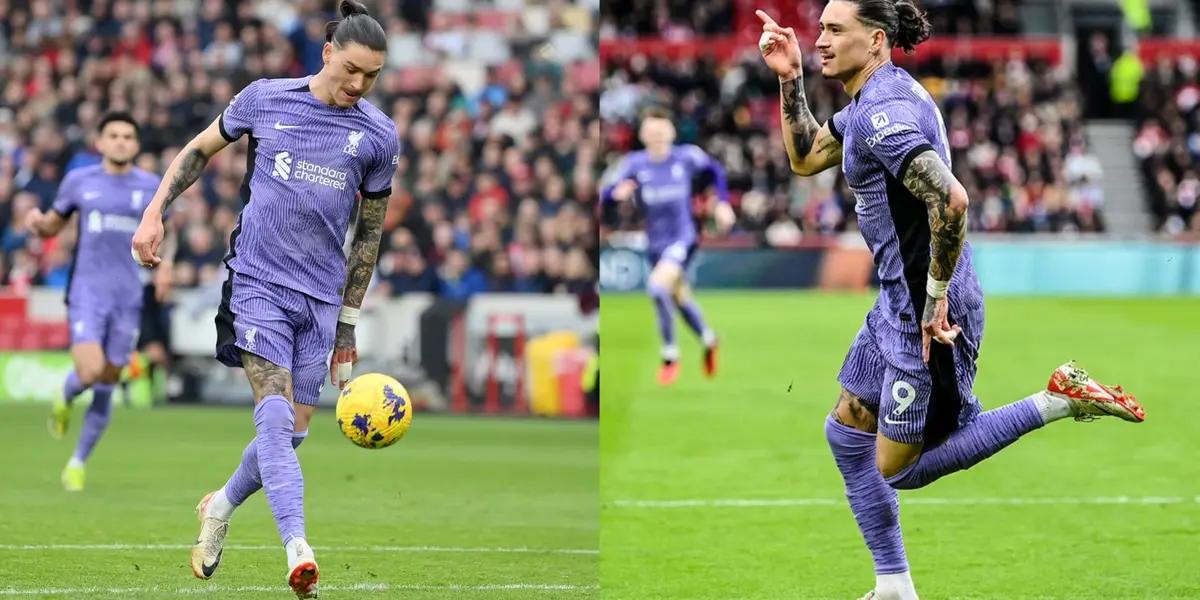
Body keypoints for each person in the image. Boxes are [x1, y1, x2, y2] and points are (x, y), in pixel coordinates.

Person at [755, 3, 1146, 599]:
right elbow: (806, 155)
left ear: (877, 40)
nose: (821, 40)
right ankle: (893, 586)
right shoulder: (867, 103)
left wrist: (936, 299)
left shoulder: (885, 113)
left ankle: (1056, 399)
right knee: (847, 427)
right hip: (897, 302)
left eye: (836, 30)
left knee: (898, 467)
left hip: (928, 314)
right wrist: (790, 79)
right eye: (822, 29)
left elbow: (952, 200)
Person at [131, 1, 399, 596]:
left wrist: (347, 326)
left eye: (372, 76)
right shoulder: (266, 98)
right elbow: (200, 150)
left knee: (294, 431)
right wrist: (155, 213)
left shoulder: (378, 135)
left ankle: (221, 505)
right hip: (256, 281)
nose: (359, 84)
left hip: (321, 301)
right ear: (327, 53)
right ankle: (297, 546)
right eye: (351, 69)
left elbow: (370, 236)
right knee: (274, 415)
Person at [26, 111, 167, 492]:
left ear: (135, 145)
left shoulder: (151, 186)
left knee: (107, 381)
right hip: (88, 292)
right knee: (89, 372)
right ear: (100, 142)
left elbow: (159, 235)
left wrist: (164, 269)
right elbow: (54, 224)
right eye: (114, 135)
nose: (121, 141)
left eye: (127, 136)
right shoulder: (79, 181)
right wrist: (38, 224)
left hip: (128, 297)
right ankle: (66, 392)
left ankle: (77, 462)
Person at [599, 108, 735, 385]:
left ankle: (670, 355)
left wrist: (721, 202)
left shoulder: (686, 157)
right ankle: (709, 339)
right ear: (643, 135)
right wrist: (615, 195)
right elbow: (604, 195)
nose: (658, 137)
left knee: (656, 288)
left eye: (662, 132)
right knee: (678, 298)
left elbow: (716, 172)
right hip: (655, 244)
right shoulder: (634, 164)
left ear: (671, 133)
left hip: (683, 239)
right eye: (652, 133)